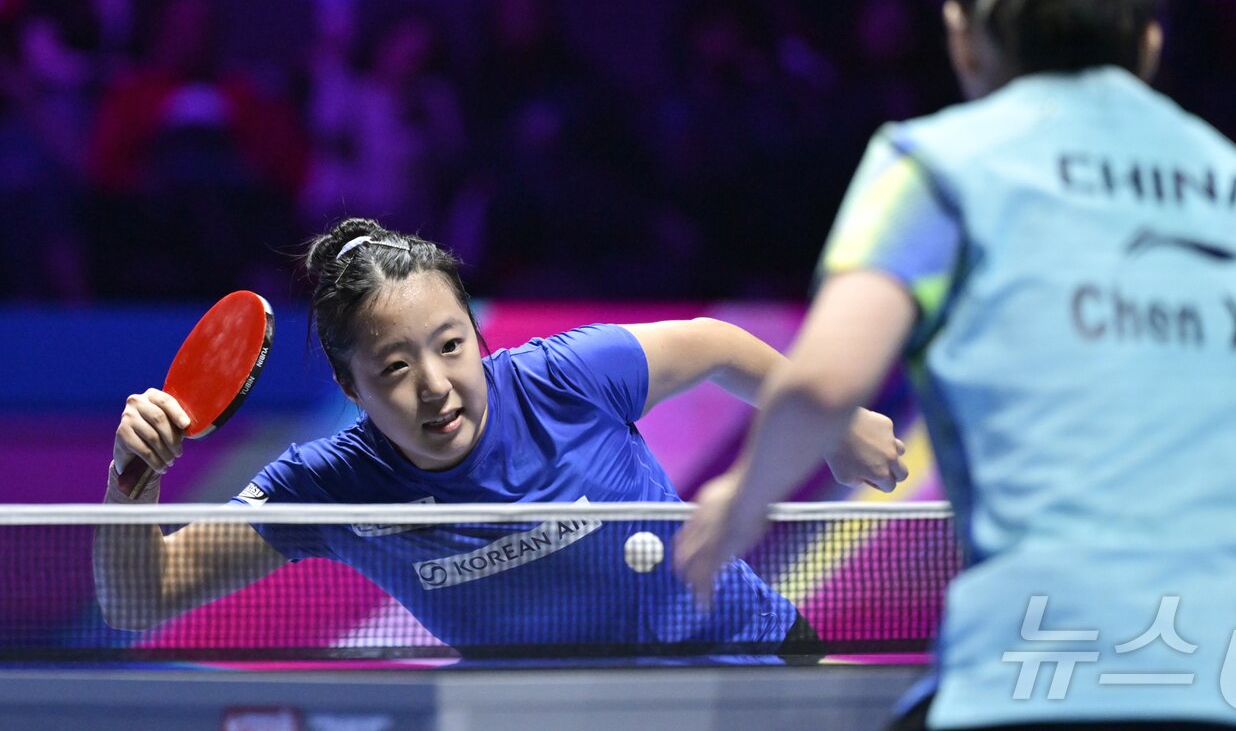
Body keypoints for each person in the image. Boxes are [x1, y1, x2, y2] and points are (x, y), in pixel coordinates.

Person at [677, 0, 1236, 729]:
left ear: (963, 38)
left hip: (1049, 690)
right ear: (1150, 42)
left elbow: (827, 385)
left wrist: (740, 504)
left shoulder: (937, 164)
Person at [93, 216, 906, 662]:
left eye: (451, 345)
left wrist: (833, 422)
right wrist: (132, 480)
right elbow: (139, 599)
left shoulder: (566, 377)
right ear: (351, 389)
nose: (437, 385)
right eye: (396, 366)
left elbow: (715, 343)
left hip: (745, 661)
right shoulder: (328, 484)